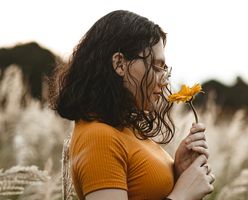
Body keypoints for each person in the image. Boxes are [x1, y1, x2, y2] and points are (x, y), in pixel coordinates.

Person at [49, 10, 215, 200]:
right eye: (156, 66)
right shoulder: (99, 137)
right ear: (120, 64)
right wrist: (183, 195)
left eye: (164, 69)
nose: (165, 80)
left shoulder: (122, 128)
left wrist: (178, 172)